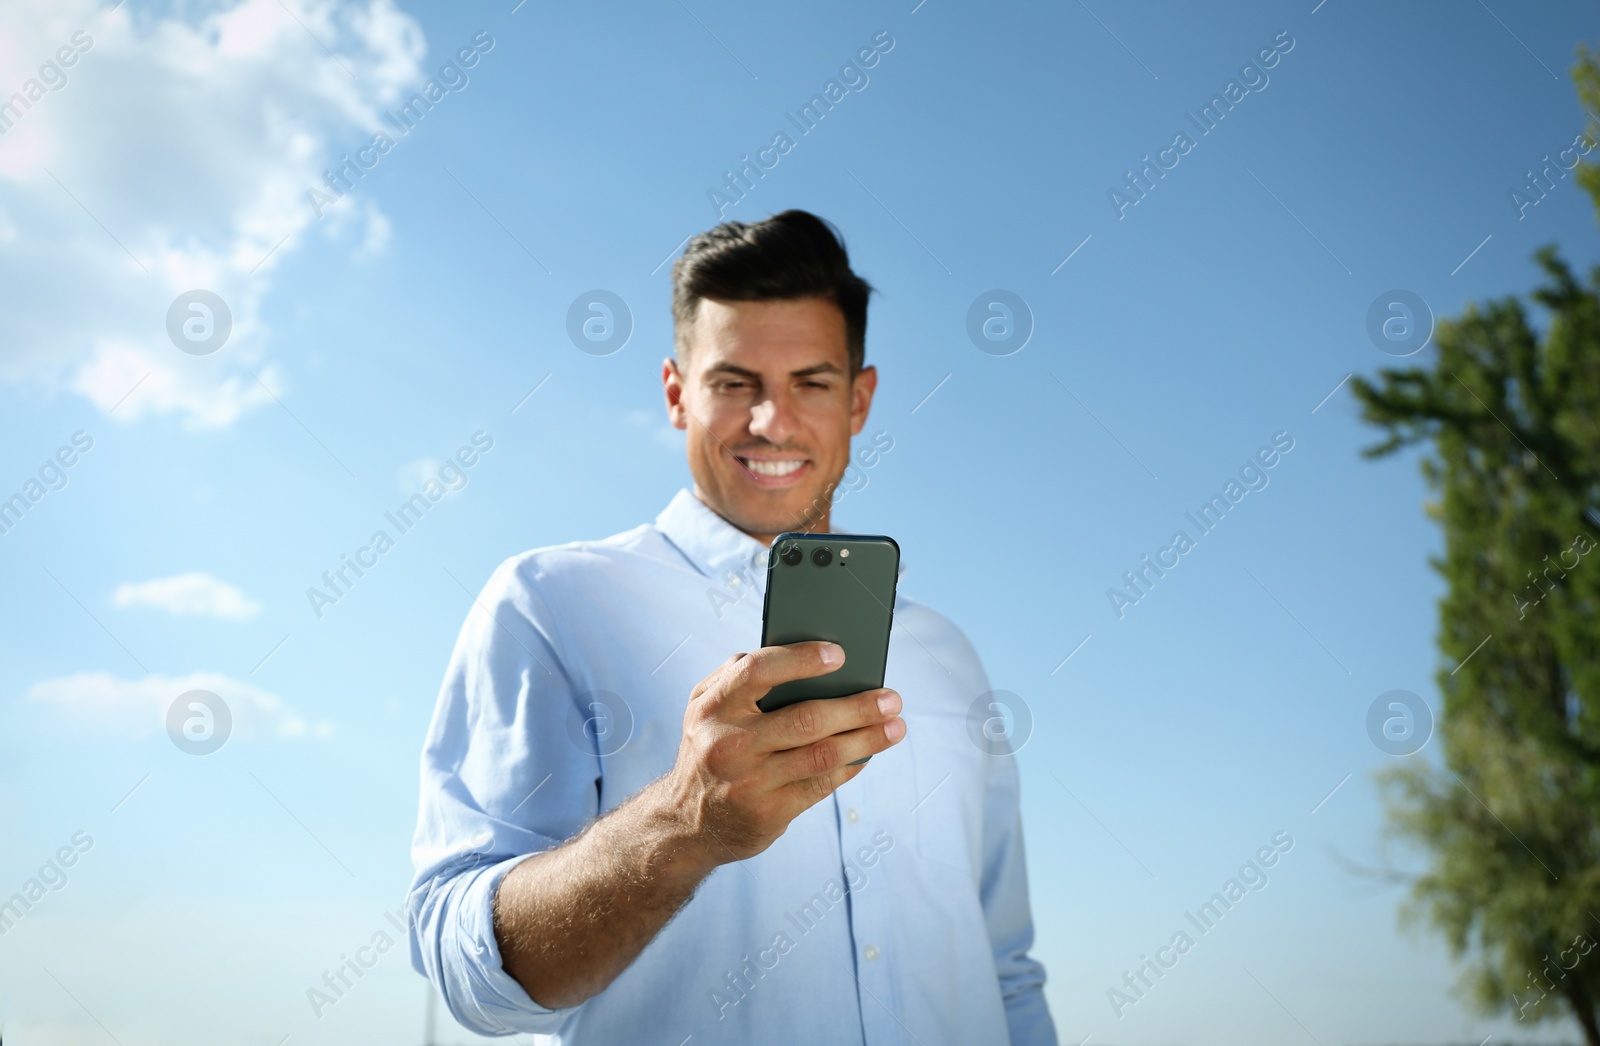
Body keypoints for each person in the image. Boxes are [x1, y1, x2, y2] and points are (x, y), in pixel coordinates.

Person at [406, 209, 1058, 1044]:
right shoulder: (551, 602)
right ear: (678, 393)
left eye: (811, 384)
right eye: (734, 382)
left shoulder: (947, 658)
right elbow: (469, 975)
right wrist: (683, 823)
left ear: (860, 400)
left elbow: (1006, 969)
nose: (771, 423)